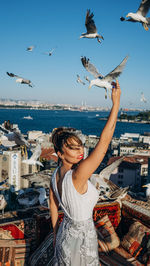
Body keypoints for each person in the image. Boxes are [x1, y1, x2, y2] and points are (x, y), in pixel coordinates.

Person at [49, 80, 121, 265]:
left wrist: (57, 236)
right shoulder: (78, 174)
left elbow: (53, 207)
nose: (80, 151)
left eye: (80, 146)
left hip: (66, 234)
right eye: (72, 148)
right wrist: (116, 104)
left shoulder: (55, 174)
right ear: (60, 154)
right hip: (82, 238)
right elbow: (104, 143)